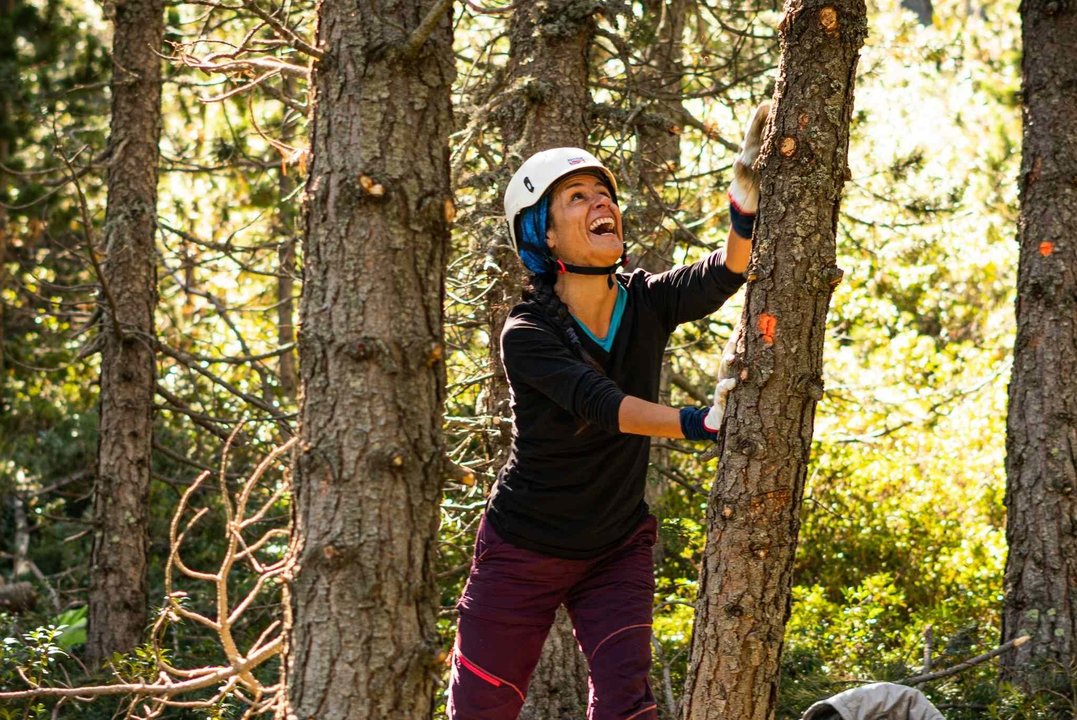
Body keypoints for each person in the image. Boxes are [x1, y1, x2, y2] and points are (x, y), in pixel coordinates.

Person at [448, 103, 770, 720]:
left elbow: (727, 271)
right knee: (478, 713)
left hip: (615, 546)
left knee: (629, 708)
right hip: (522, 552)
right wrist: (697, 421)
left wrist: (745, 198)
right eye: (577, 198)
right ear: (543, 232)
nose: (602, 204)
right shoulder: (528, 330)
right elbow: (600, 404)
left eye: (605, 194)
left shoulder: (644, 299)